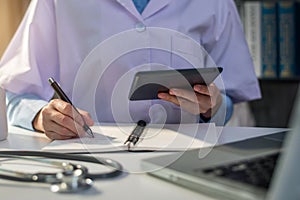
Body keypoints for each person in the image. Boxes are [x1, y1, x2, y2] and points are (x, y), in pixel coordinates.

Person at [0, 0, 261, 140]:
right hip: (89, 156)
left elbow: (232, 99)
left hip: (186, 157)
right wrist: (41, 117)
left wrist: (212, 106)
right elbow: (14, 95)